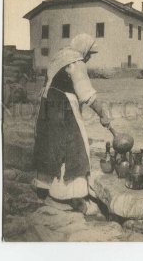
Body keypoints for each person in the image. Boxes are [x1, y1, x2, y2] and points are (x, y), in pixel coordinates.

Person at [33, 34, 111, 214]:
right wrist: (103, 114)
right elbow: (86, 93)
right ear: (83, 49)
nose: (89, 57)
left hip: (47, 106)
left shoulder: (60, 56)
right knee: (75, 146)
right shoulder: (76, 61)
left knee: (50, 145)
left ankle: (43, 190)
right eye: (89, 53)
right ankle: (71, 197)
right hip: (63, 107)